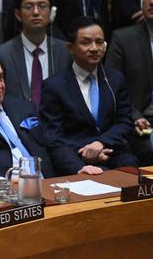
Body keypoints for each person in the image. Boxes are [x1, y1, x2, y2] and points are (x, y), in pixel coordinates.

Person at [0, 52, 102, 192]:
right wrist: (4, 184)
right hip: (1, 194)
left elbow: (51, 143)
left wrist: (77, 167)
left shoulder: (22, 106)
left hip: (47, 186)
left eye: (0, 77)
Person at [40, 17, 139, 169]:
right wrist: (86, 155)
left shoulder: (115, 79)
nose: (94, 48)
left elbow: (125, 122)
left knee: (130, 165)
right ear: (70, 47)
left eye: (99, 42)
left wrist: (100, 143)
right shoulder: (54, 86)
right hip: (76, 158)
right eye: (86, 42)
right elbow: (54, 139)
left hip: (111, 151)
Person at [0, 0, 70, 105]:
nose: (36, 12)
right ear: (18, 14)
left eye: (42, 6)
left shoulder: (66, 52)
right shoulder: (0, 56)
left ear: (51, 12)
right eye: (28, 7)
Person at [105, 0, 153, 163]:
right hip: (138, 121)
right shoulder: (123, 38)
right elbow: (111, 86)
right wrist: (134, 117)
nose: (151, 1)